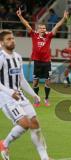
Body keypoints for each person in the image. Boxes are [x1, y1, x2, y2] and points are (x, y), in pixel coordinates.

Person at [0, 30, 50, 160]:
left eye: (12, 38)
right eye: (8, 39)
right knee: (25, 123)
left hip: (20, 95)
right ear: (1, 43)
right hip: (6, 97)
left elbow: (21, 79)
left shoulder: (17, 57)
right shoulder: (1, 58)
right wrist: (10, 92)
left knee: (35, 124)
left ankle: (45, 158)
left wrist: (34, 94)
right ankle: (4, 144)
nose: (12, 41)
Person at [16, 8, 68, 107]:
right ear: (38, 29)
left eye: (44, 28)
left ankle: (47, 99)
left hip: (47, 62)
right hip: (37, 62)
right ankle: (36, 99)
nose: (43, 30)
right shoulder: (34, 34)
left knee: (48, 81)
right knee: (35, 82)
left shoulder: (49, 36)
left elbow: (57, 26)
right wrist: (20, 16)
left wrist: (64, 19)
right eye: (41, 28)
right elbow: (26, 24)